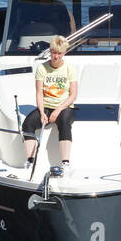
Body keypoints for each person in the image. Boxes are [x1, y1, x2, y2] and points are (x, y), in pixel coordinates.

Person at [22, 36, 78, 172]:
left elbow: (73, 95)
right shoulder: (42, 68)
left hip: (64, 106)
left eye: (59, 53)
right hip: (46, 106)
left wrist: (58, 110)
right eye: (54, 52)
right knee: (28, 123)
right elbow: (39, 93)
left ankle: (65, 162)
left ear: (64, 53)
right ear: (50, 52)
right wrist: (42, 113)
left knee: (64, 122)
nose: (56, 56)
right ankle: (30, 160)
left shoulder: (70, 68)